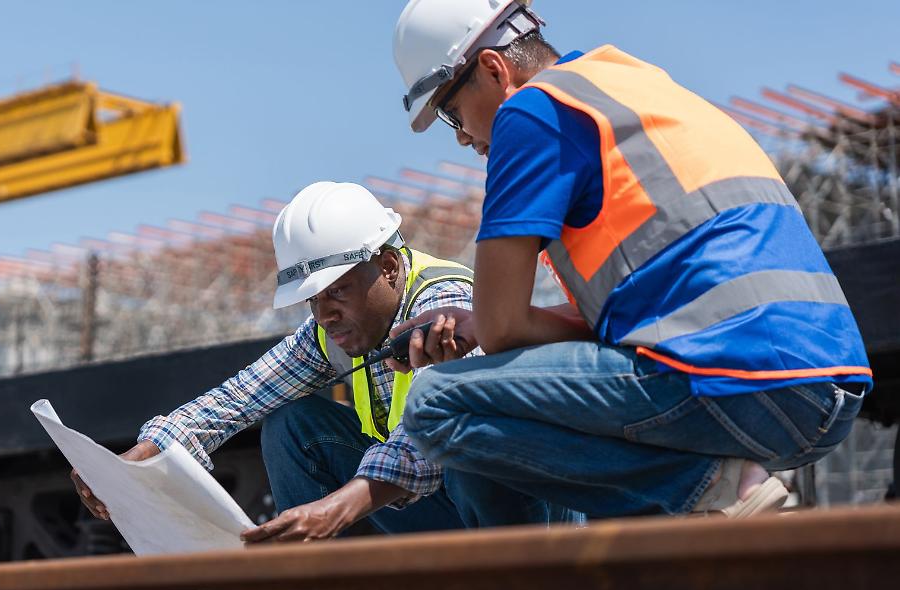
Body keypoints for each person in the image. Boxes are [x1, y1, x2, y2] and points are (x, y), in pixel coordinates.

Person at [388, 0, 871, 517]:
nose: (460, 134)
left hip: (735, 381)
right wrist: (481, 325)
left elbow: (504, 328)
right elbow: (633, 313)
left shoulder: (531, 112)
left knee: (438, 401)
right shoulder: (630, 85)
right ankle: (701, 519)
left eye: (450, 112)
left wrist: (486, 325)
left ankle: (723, 492)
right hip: (825, 385)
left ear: (493, 69)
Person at [72, 181, 580, 541]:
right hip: (438, 513)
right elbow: (240, 397)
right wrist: (140, 456)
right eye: (313, 300)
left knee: (465, 446)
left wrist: (342, 504)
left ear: (387, 267)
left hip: (515, 517)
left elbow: (431, 431)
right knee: (291, 424)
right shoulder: (333, 329)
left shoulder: (444, 302)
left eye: (336, 292)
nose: (324, 312)